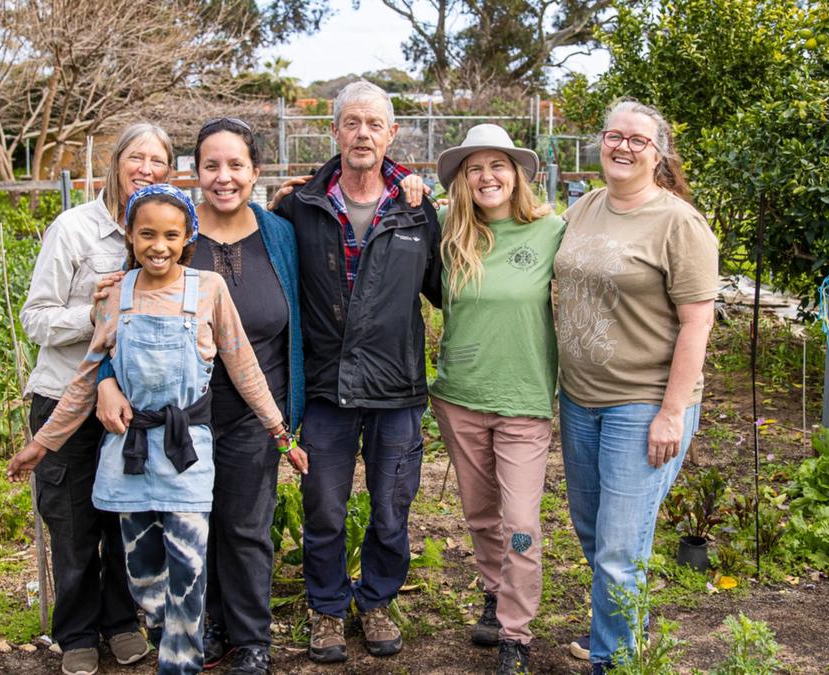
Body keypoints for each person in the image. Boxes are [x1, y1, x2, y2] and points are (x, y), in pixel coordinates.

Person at [8, 184, 308, 675]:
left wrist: (281, 433)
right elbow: (86, 380)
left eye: (171, 234)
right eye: (147, 233)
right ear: (129, 234)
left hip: (187, 451)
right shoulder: (115, 296)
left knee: (188, 573)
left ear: (189, 236)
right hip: (130, 454)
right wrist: (42, 444)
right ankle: (168, 629)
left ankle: (180, 663)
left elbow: (244, 366)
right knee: (145, 577)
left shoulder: (207, 288)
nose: (159, 245)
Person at [94, 117, 304, 675]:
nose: (224, 176)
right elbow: (119, 324)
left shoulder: (278, 233)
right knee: (188, 528)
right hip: (184, 416)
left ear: (256, 171)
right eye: (211, 165)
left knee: (246, 526)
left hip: (260, 406)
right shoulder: (169, 230)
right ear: (194, 173)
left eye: (236, 164)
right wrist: (106, 381)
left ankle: (251, 636)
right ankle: (201, 627)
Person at [272, 80, 442, 664]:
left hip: (396, 389)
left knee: (392, 507)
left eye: (374, 124)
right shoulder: (299, 207)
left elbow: (447, 287)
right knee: (323, 505)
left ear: (392, 134)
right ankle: (325, 608)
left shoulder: (416, 210)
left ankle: (375, 600)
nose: (362, 133)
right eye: (352, 123)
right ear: (335, 132)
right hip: (326, 389)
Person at [554, 99, 717, 674]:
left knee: (621, 548)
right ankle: (623, 624)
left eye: (637, 140)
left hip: (643, 403)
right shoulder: (586, 206)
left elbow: (697, 320)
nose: (621, 147)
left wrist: (671, 413)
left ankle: (613, 662)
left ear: (658, 153)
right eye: (612, 135)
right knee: (593, 532)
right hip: (579, 400)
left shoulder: (678, 223)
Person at [401, 124, 564, 675]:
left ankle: (515, 635)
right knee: (481, 516)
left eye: (498, 165)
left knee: (520, 520)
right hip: (460, 397)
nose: (487, 176)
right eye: (475, 169)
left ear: (517, 174)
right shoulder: (448, 231)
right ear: (462, 181)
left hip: (524, 400)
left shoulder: (551, 231)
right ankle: (495, 594)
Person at [17, 122, 173, 675]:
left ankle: (120, 622)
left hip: (131, 405)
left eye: (158, 160)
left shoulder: (163, 231)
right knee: (74, 525)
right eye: (137, 157)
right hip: (67, 399)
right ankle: (78, 632)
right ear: (116, 162)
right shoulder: (76, 230)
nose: (146, 169)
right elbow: (34, 318)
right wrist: (92, 315)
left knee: (123, 520)